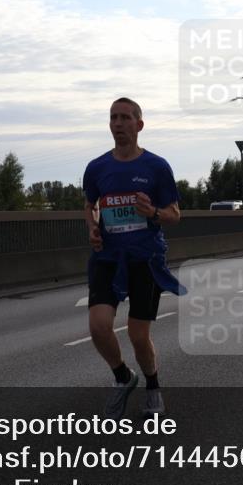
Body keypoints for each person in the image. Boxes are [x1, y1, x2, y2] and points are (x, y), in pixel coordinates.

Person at [83, 97, 183, 421]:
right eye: (113, 117)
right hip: (108, 257)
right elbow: (90, 205)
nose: (118, 123)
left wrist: (152, 211)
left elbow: (175, 214)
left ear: (139, 125)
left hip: (145, 257)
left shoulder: (156, 167)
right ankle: (123, 377)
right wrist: (92, 228)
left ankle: (152, 385)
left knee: (138, 335)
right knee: (99, 327)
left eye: (125, 117)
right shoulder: (97, 168)